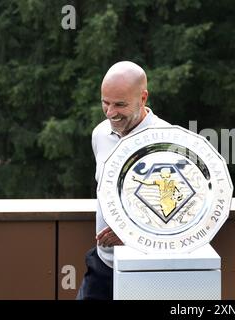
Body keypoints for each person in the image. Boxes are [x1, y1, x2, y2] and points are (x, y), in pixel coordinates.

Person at [77, 61, 170, 300]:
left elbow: (182, 213)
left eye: (120, 105)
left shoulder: (170, 142)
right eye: (105, 103)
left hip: (149, 272)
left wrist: (131, 232)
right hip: (102, 265)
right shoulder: (100, 134)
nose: (110, 113)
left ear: (143, 98)